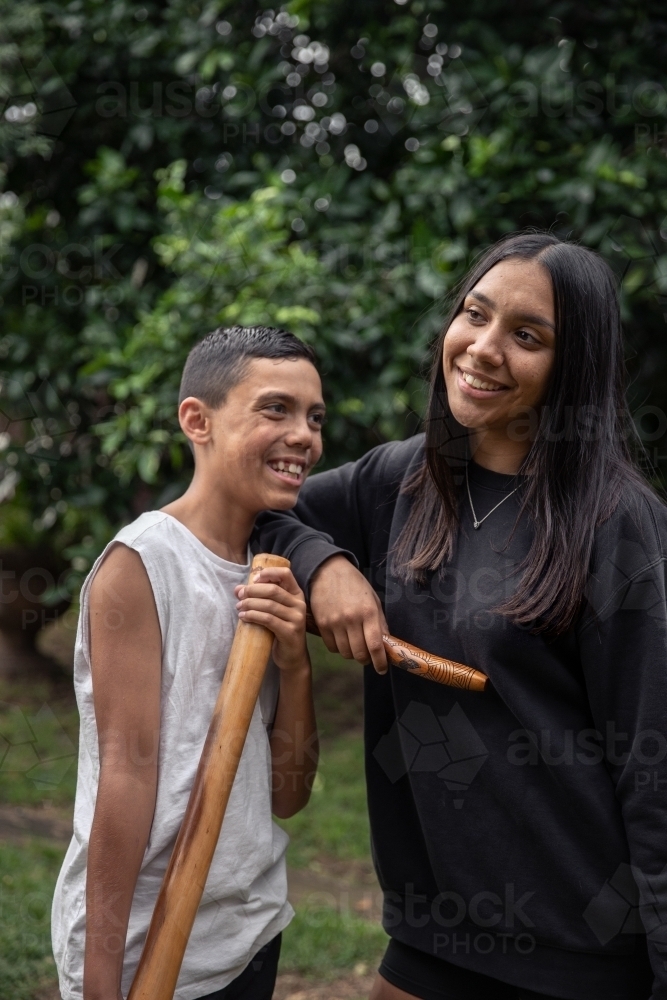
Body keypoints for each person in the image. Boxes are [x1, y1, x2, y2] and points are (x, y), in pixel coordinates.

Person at [255, 232, 667, 1000]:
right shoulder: (400, 481)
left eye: (526, 336)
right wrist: (327, 565)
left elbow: (654, 769)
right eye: (473, 315)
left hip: (575, 952)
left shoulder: (615, 524)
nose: (481, 348)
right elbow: (254, 509)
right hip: (430, 930)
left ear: (570, 367)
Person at [52, 326, 324, 1000]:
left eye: (314, 417)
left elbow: (287, 795)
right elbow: (126, 781)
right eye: (275, 409)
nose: (304, 436)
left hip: (245, 932)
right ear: (196, 421)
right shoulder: (144, 564)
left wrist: (296, 662)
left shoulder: (270, 575)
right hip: (145, 950)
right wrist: (100, 985)